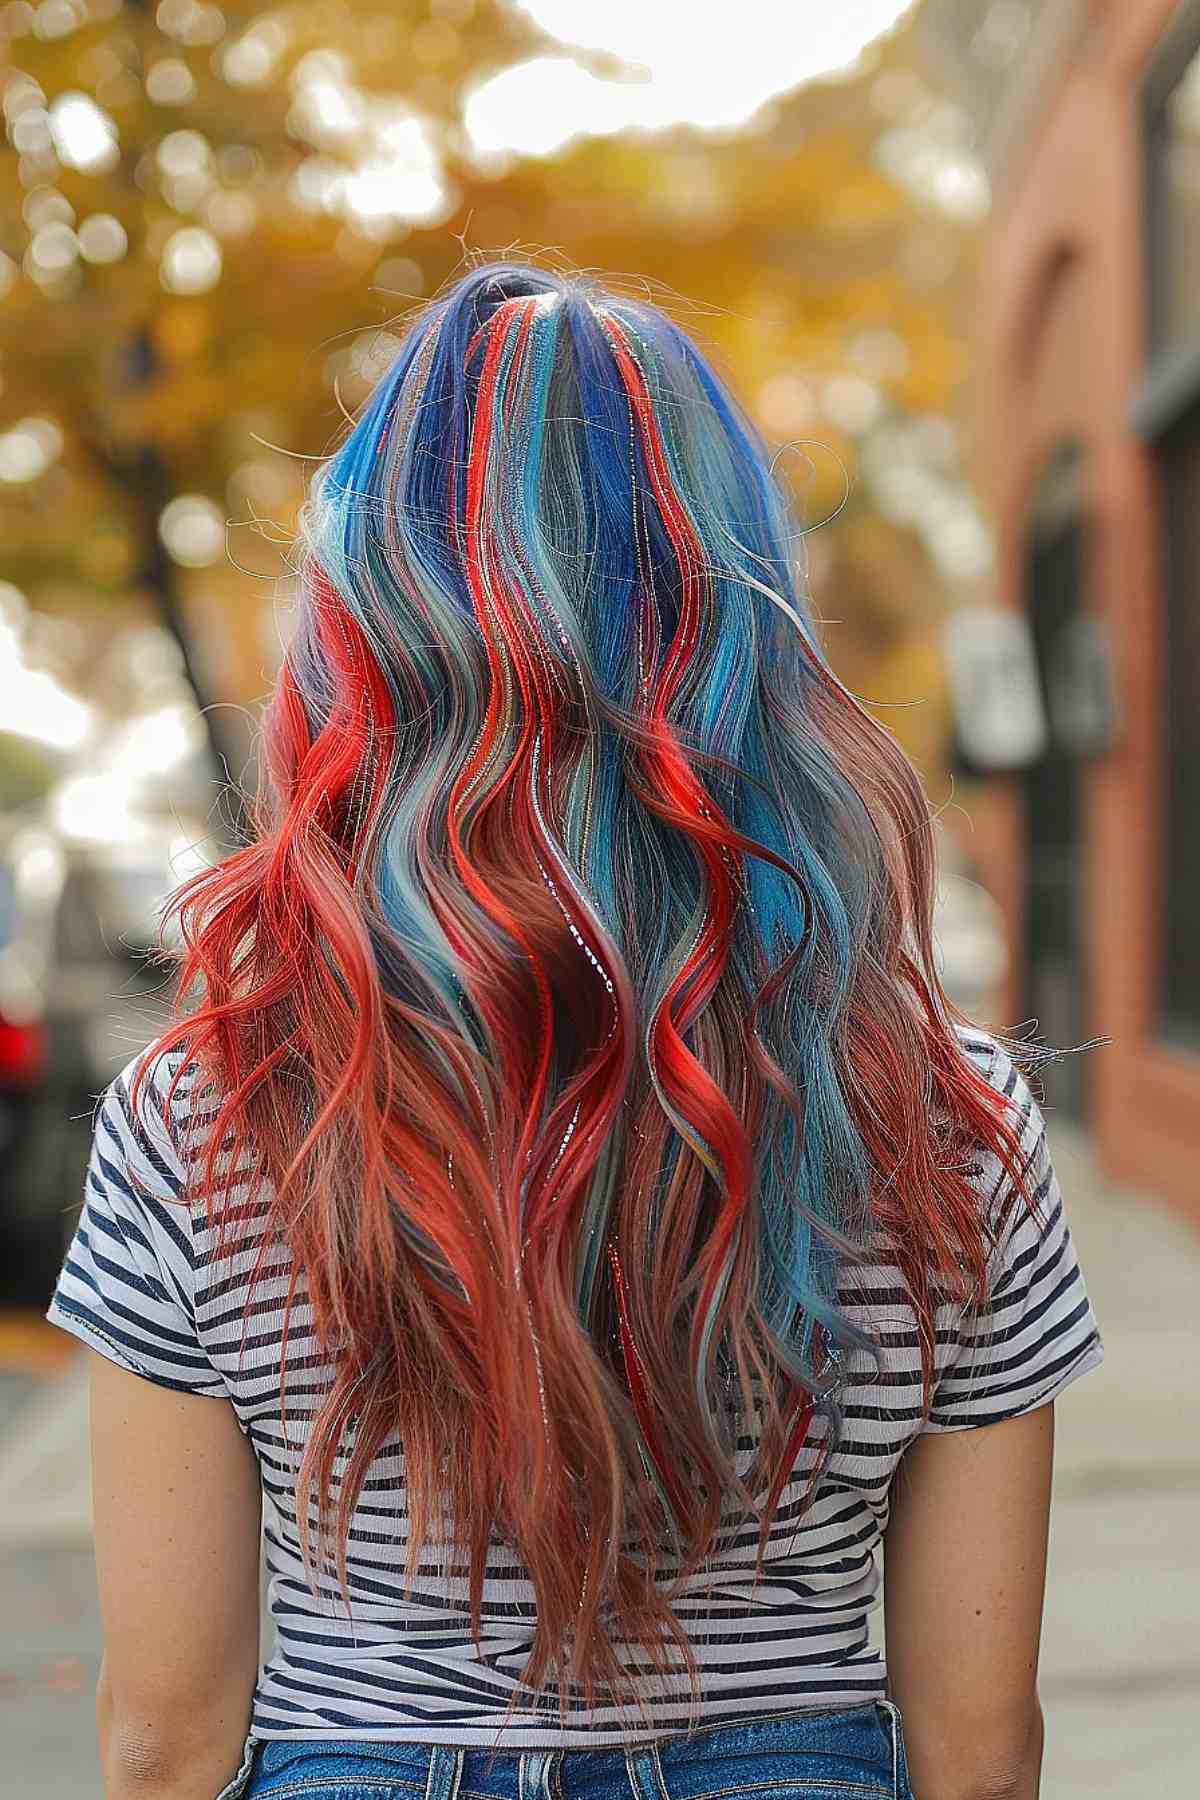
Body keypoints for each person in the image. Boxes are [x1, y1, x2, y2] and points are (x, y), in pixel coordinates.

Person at [47, 263, 1104, 1800]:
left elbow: (164, 1733)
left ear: (366, 615)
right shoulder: (947, 1119)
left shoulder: (212, 1108)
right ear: (744, 608)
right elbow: (979, 1744)